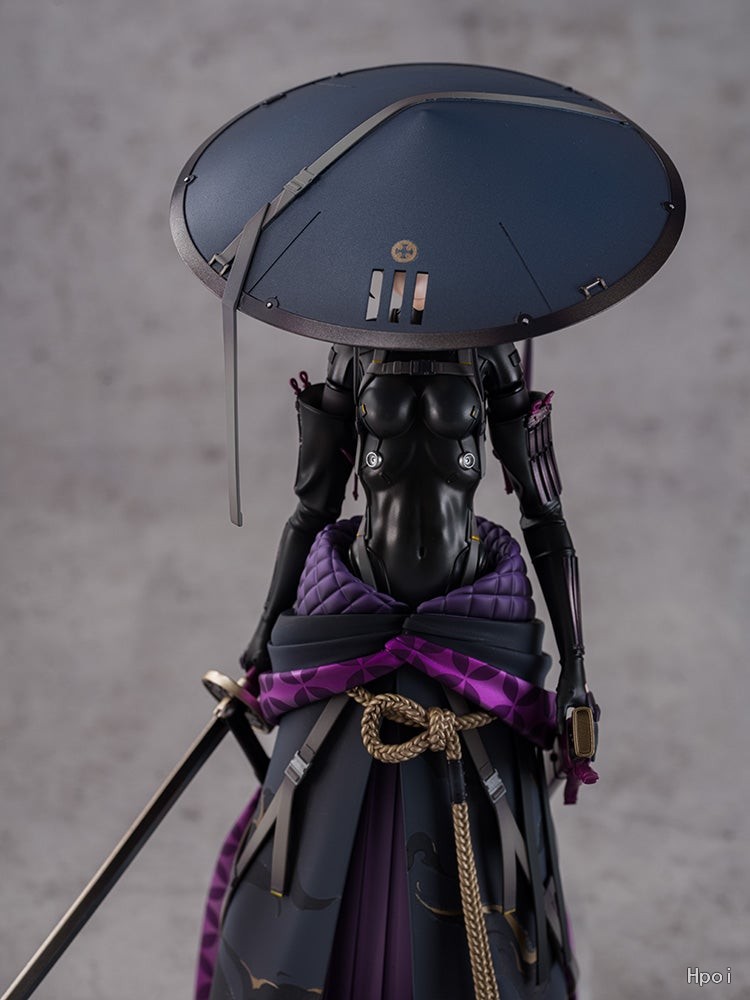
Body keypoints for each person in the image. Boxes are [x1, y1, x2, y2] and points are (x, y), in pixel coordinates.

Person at [198, 338, 597, 1000]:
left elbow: (544, 514)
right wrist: (265, 631)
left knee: (494, 860)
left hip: (473, 631)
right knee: (308, 833)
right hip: (349, 622)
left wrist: (577, 665)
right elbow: (313, 508)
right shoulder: (351, 357)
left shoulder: (492, 355)